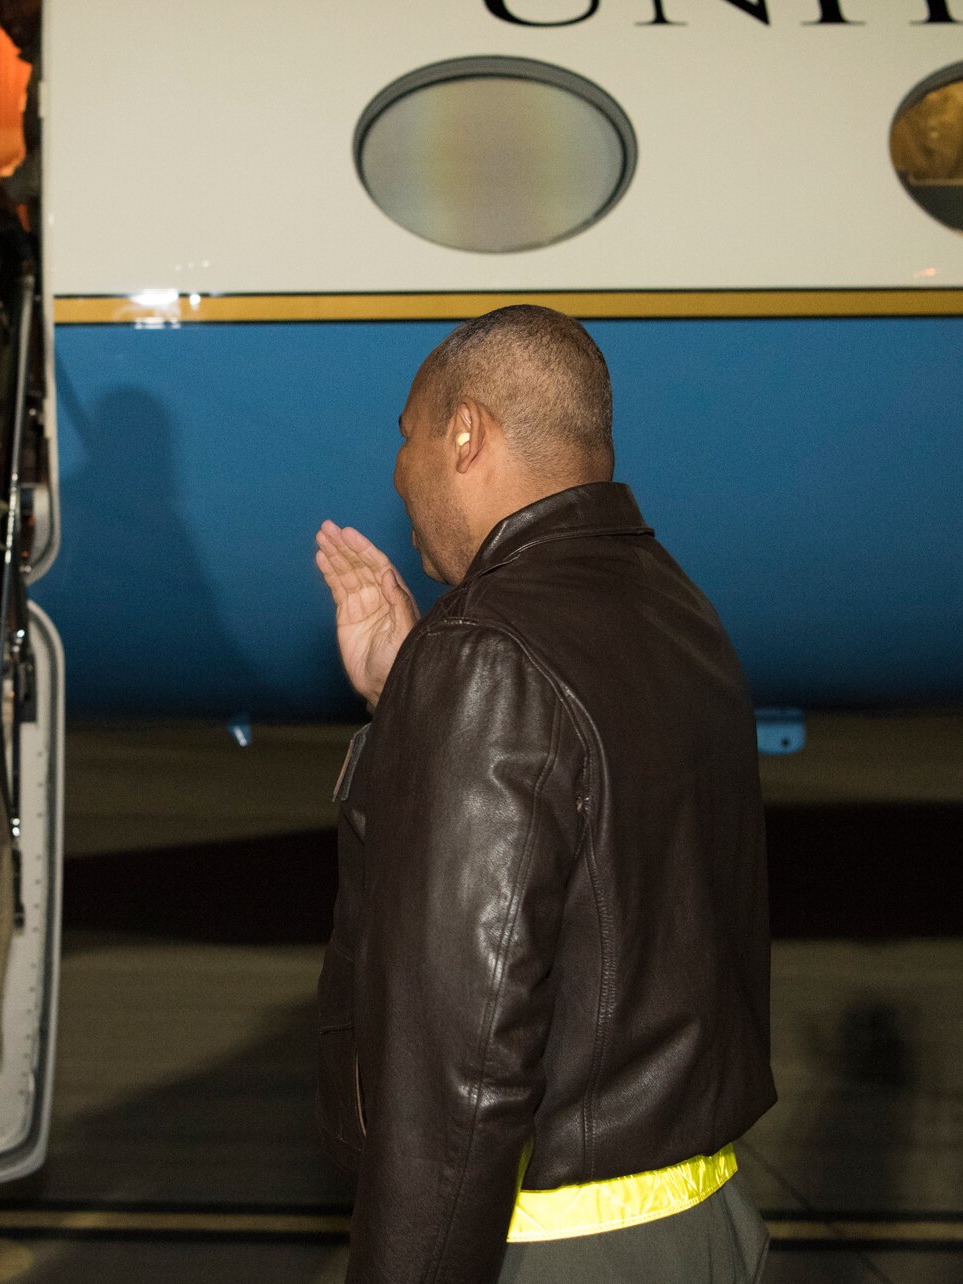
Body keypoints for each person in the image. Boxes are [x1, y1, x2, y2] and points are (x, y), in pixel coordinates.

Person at [311, 305, 775, 1283]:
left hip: (554, 1246)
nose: (397, 473)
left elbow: (463, 1060)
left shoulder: (485, 651)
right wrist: (407, 701)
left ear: (464, 434)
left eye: (406, 437)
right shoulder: (672, 604)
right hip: (703, 1223)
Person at [0, 0, 42, 210]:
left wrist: (11, 191)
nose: (6, 15)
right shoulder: (42, 59)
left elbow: (68, 143)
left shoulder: (66, 56)